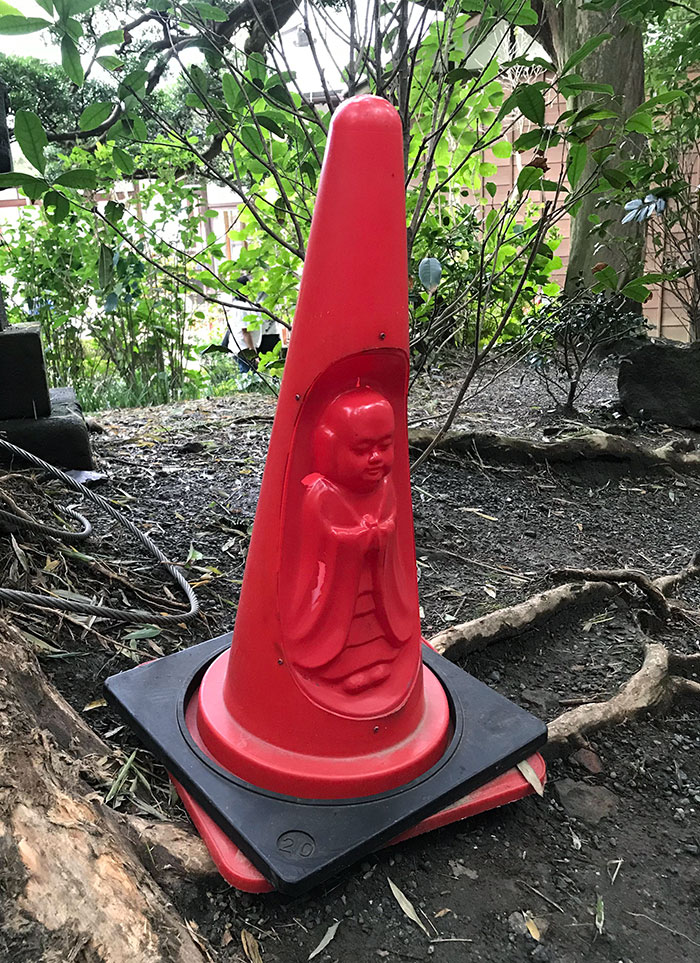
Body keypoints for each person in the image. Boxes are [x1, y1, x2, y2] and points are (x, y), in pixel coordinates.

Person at [279, 386, 420, 718]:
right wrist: (358, 539)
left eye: (384, 447)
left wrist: (378, 533)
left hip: (375, 581)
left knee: (375, 626)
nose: (375, 458)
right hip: (340, 591)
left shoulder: (384, 488)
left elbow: (390, 520)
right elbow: (321, 541)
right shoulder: (322, 494)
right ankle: (345, 671)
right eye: (362, 449)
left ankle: (377, 664)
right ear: (330, 447)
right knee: (345, 630)